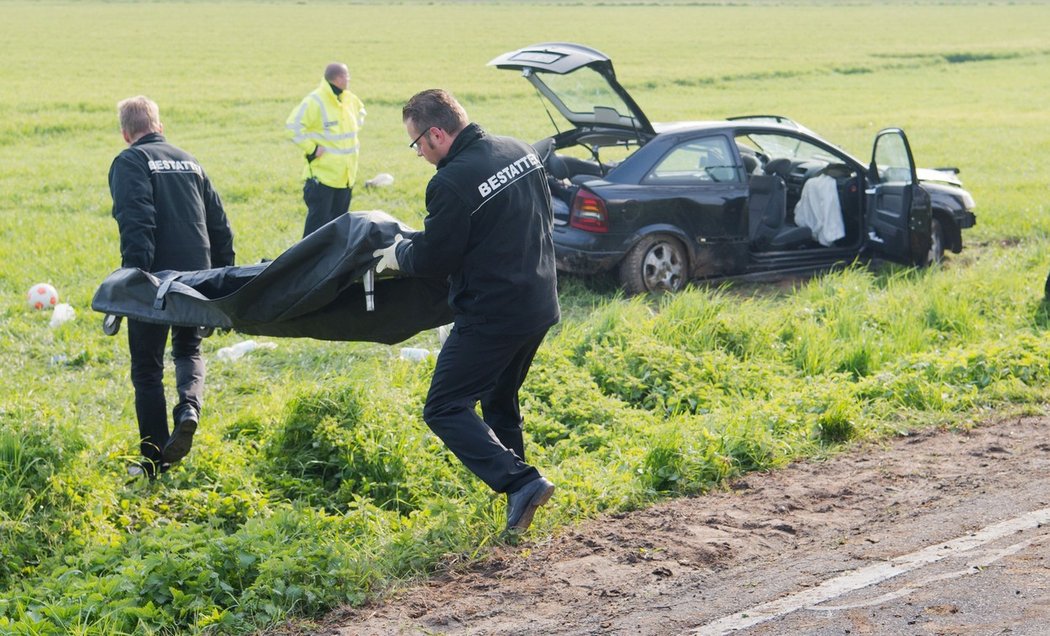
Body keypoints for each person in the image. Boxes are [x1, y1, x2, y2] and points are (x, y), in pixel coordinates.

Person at [372, 89, 561, 533]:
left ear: (436, 133)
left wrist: (400, 255)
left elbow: (437, 260)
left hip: (493, 314)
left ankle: (521, 482)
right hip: (540, 302)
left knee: (444, 407)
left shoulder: (450, 182)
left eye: (416, 142)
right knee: (499, 399)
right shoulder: (519, 149)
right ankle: (522, 504)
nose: (418, 152)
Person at [108, 95, 235, 478]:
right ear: (158, 126)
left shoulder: (130, 160)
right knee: (187, 347)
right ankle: (189, 408)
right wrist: (223, 278)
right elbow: (219, 224)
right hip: (197, 276)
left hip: (154, 281)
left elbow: (137, 221)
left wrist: (135, 278)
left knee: (146, 367)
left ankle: (153, 461)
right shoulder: (190, 160)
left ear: (126, 132)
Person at [285, 62, 367, 237]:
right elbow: (292, 127)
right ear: (338, 78)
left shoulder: (349, 98)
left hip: (346, 176)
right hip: (322, 179)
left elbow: (361, 112)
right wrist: (312, 149)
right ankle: (307, 264)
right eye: (347, 76)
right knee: (315, 233)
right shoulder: (315, 101)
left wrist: (354, 127)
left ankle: (334, 264)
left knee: (339, 229)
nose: (349, 79)